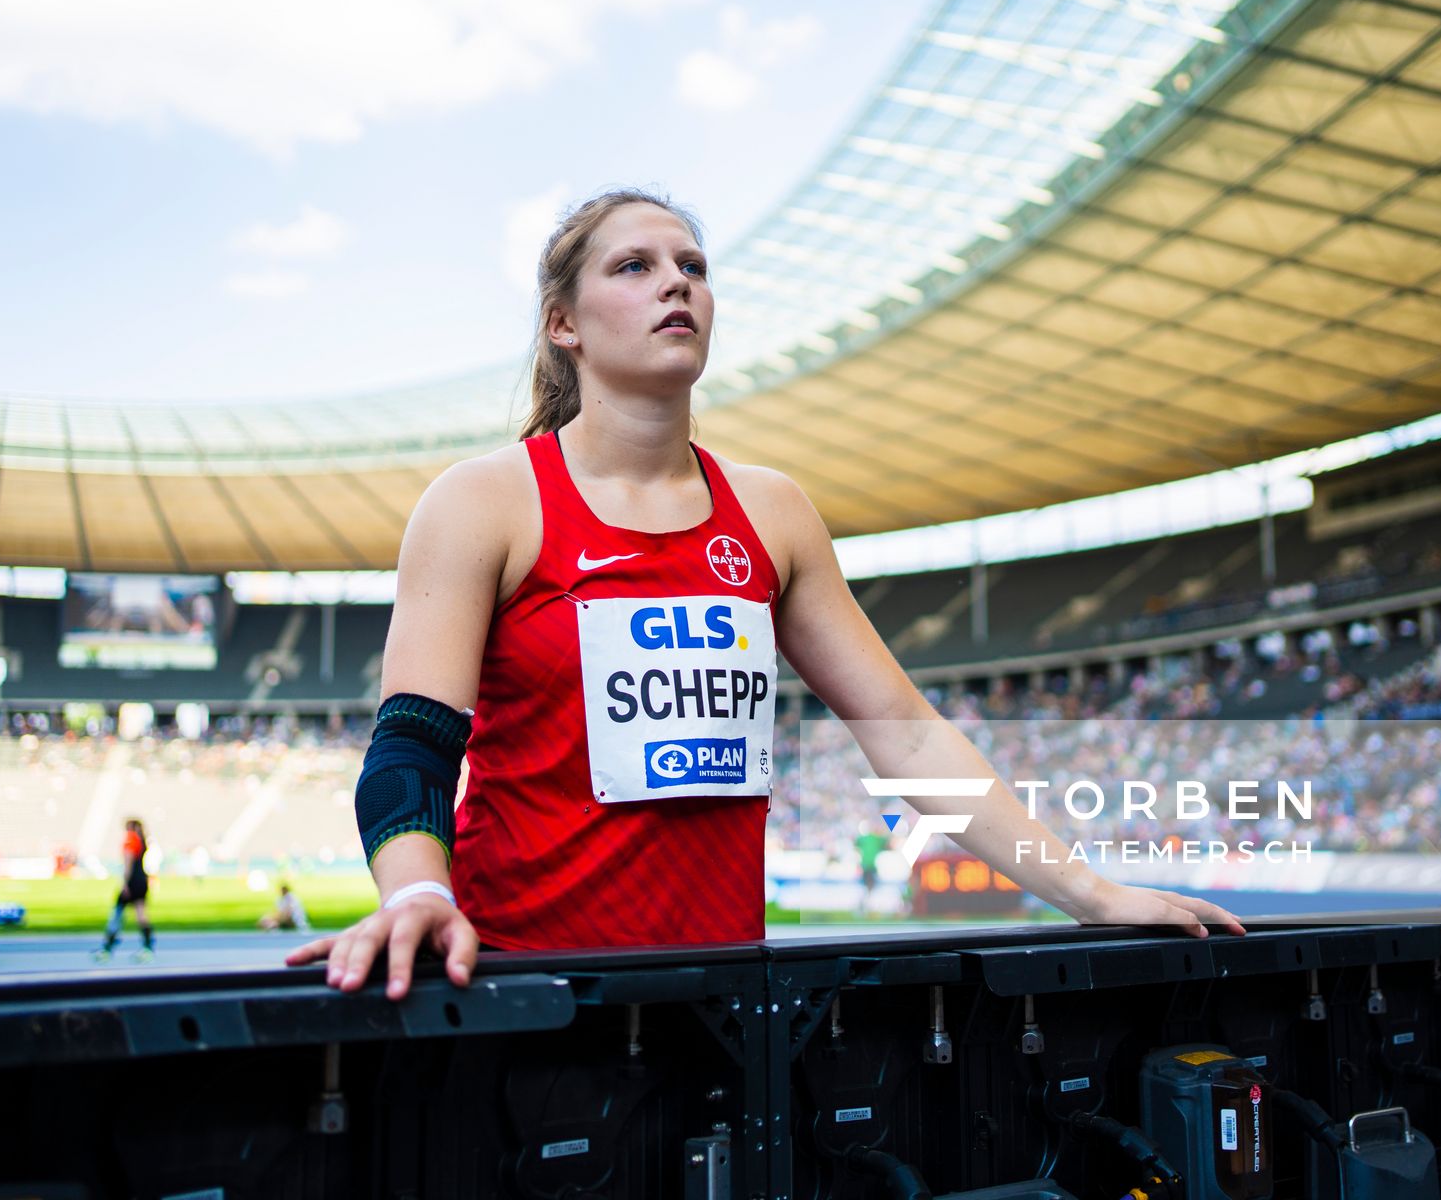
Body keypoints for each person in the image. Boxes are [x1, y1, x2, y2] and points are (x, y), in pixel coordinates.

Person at [289, 188, 1243, 999]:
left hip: (728, 1000)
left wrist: (1087, 892)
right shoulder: (484, 502)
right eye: (634, 266)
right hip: (526, 990)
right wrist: (417, 894)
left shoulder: (773, 513)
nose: (677, 282)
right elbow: (410, 748)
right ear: (563, 325)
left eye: (694, 266)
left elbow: (905, 731)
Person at [93, 817, 154, 962]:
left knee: (117, 913)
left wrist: (125, 883)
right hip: (142, 880)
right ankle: (147, 947)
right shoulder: (142, 839)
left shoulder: (130, 839)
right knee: (141, 915)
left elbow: (128, 863)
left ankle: (107, 947)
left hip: (132, 881)